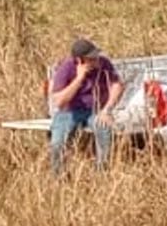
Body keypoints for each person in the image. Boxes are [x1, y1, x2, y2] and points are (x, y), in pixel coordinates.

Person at [49, 38, 125, 175]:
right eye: (91, 59)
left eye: (96, 56)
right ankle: (60, 178)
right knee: (57, 142)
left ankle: (102, 173)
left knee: (104, 129)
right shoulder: (66, 68)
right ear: (80, 60)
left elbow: (117, 85)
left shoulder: (104, 64)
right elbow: (60, 102)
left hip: (96, 109)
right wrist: (79, 78)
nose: (96, 60)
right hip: (69, 111)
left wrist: (107, 109)